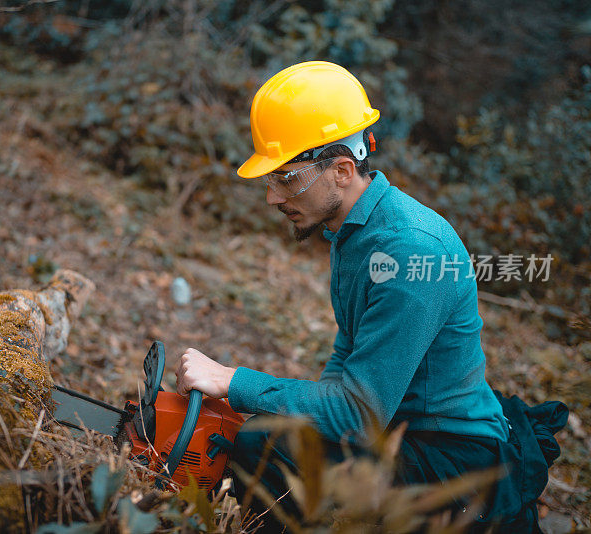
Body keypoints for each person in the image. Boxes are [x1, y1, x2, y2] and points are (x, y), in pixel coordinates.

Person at [173, 62, 567, 532]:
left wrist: (233, 381)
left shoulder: (408, 250)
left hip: (452, 453)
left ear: (341, 170)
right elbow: (348, 352)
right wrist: (307, 417)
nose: (272, 199)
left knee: (265, 446)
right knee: (275, 437)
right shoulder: (353, 230)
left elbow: (358, 413)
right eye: (269, 180)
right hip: (397, 425)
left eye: (286, 179)